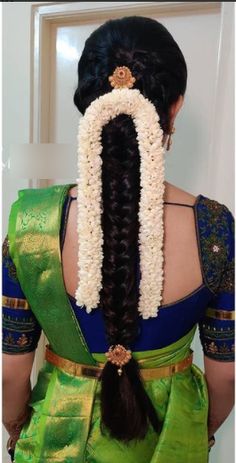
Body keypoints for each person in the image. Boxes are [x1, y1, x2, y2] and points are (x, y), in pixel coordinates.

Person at [2, 15, 234, 463]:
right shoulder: (215, 228)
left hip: (58, 443)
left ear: (86, 104)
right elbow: (226, 379)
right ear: (175, 105)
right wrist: (197, 436)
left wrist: (18, 431)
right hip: (169, 440)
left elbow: (12, 373)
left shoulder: (31, 225)